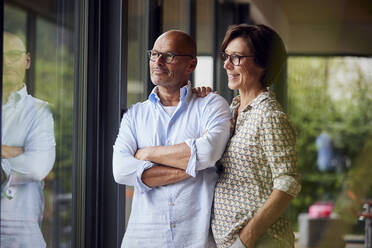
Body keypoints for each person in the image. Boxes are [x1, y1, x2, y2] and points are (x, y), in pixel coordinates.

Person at [112, 30, 231, 247]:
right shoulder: (134, 115)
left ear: (191, 65)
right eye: (154, 54)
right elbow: (121, 171)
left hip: (195, 241)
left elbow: (208, 153)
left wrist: (147, 154)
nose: (158, 61)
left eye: (169, 55)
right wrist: (193, 165)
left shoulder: (211, 105)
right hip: (142, 241)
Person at [209, 24, 302, 248]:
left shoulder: (270, 115)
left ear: (262, 63)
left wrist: (245, 239)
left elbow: (288, 183)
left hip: (262, 242)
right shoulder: (233, 110)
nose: (227, 64)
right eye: (226, 56)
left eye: (237, 57)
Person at [1, 32, 56, 247]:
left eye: (13, 54)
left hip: (21, 240)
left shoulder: (40, 111)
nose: (6, 62)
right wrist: (16, 152)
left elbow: (37, 167)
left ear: (27, 60)